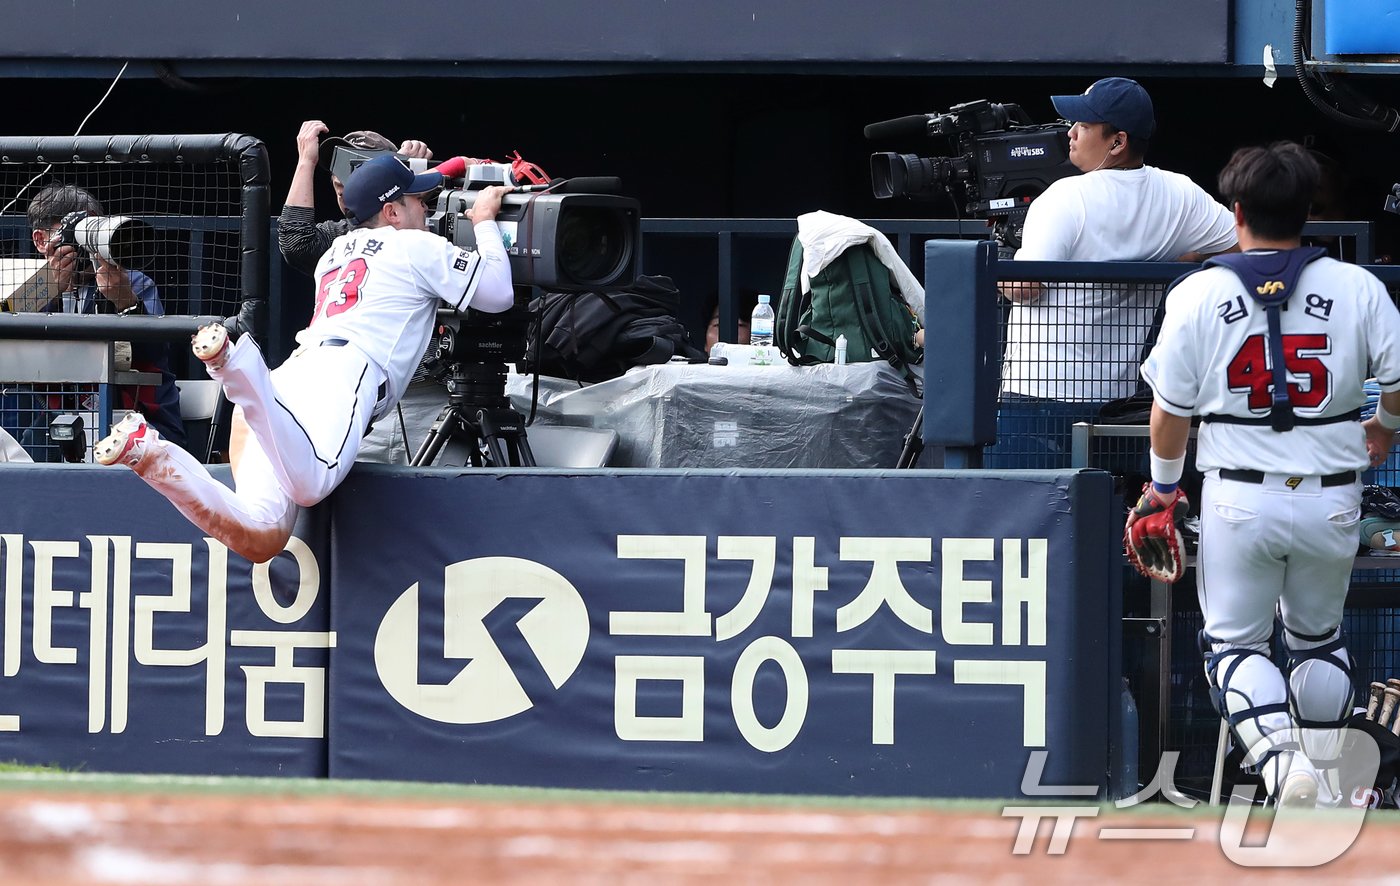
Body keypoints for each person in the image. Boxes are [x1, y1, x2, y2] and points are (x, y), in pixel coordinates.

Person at [1131, 141, 1400, 807]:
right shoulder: (1357, 285)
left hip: (1237, 498)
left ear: (1237, 210)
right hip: (1333, 497)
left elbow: (1169, 412)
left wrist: (1165, 487)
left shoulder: (1200, 290)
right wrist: (1384, 427)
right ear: (1308, 210)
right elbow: (1398, 381)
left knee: (1234, 647)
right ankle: (1327, 779)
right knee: (1318, 641)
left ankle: (1285, 773)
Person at [92, 155, 516, 563]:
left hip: (290, 382)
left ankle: (149, 455)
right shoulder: (415, 244)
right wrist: (482, 223)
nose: (426, 209)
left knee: (262, 536)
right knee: (310, 485)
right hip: (344, 375)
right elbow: (498, 295)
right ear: (391, 212)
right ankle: (238, 369)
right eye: (417, 201)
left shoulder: (336, 251)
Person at [988, 77, 1239, 468]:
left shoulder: (1064, 196)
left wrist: (999, 261)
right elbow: (1244, 246)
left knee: (1025, 522)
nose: (1070, 133)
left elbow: (1024, 288)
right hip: (1117, 401)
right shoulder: (1179, 192)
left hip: (1036, 395)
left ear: (1117, 142)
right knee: (1104, 522)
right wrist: (1182, 261)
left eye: (1084, 126)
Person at [279, 121, 447, 464]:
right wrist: (306, 162)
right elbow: (295, 241)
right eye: (338, 181)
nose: (343, 189)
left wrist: (422, 179)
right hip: (361, 401)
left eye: (356, 175)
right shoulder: (343, 236)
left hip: (431, 398)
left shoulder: (425, 223)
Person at [1, 184, 186, 459]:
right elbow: (12, 354)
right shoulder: (24, 286)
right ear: (41, 241)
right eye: (74, 232)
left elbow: (154, 355)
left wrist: (125, 301)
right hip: (47, 421)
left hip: (129, 416)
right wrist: (46, 293)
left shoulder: (134, 283)